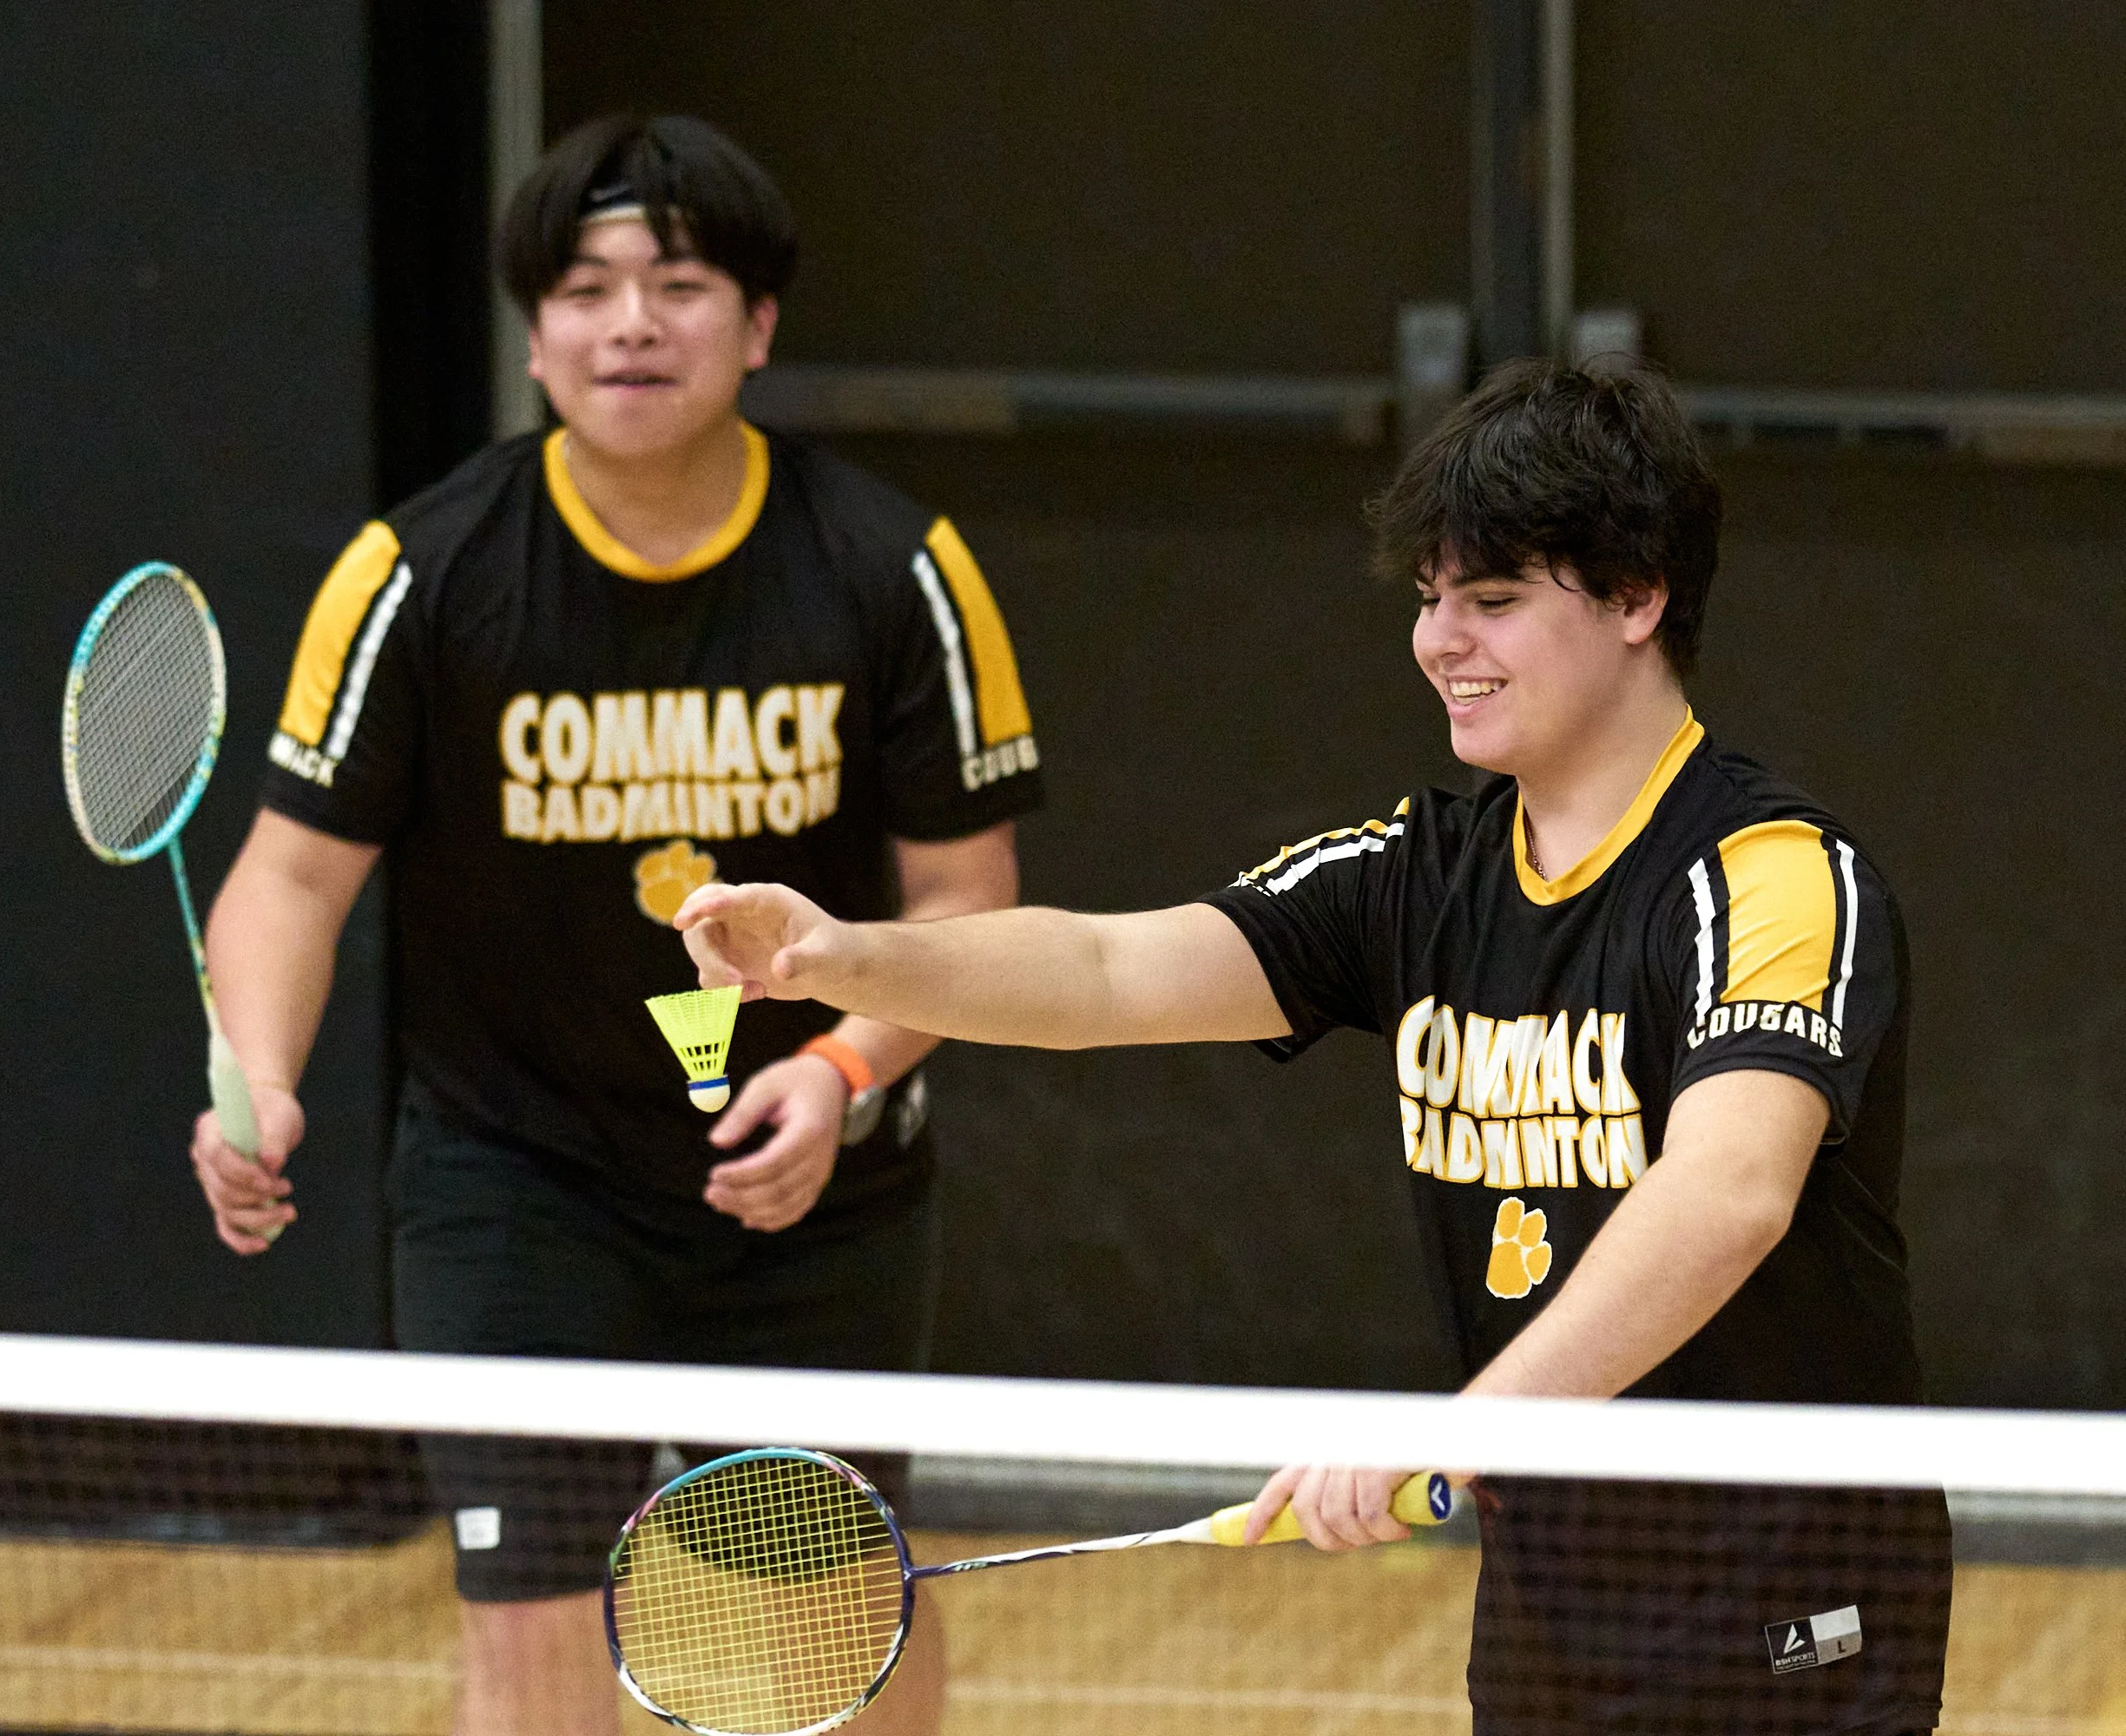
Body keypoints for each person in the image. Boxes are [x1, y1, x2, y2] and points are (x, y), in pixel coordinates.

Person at [676, 361, 1953, 1736]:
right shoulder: (1416, 873)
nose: (1441, 641)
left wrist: (1459, 1430)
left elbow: (1727, 1193)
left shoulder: (1768, 876)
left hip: (1788, 1599)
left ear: (1638, 597)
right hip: (1556, 1602)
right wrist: (841, 955)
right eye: (1429, 599)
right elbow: (1106, 972)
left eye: (1493, 600)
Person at [188, 114, 1041, 1735]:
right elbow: (292, 875)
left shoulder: (892, 569)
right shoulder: (419, 575)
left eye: (680, 285)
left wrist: (844, 1069)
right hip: (518, 1185)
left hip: (815, 1189)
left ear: (759, 324)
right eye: (583, 290)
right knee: (528, 1633)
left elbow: (966, 900)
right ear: (534, 336)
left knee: (838, 1624)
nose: (630, 325)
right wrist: (262, 1074)